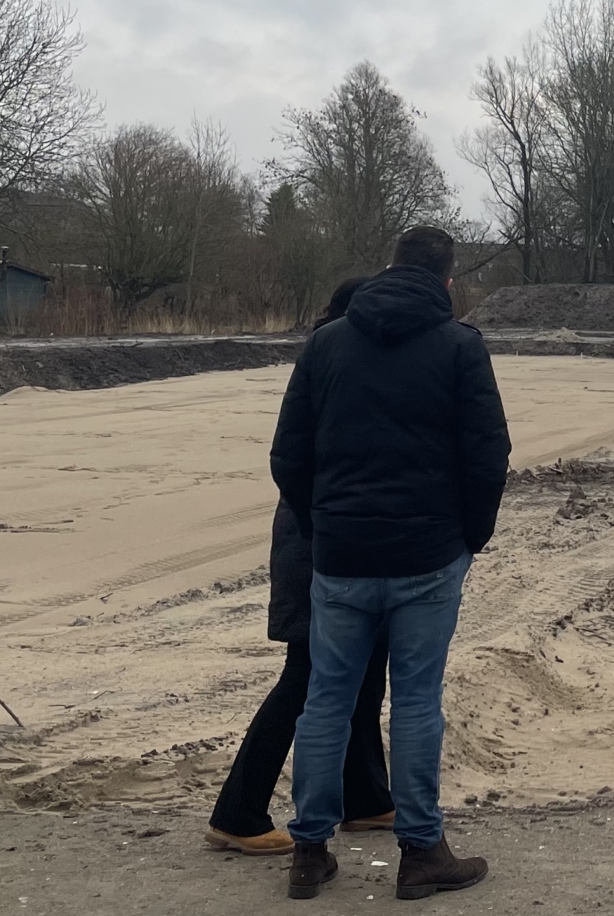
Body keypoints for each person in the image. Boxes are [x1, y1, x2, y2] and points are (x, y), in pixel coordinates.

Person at [271, 227, 511, 901]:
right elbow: (488, 454)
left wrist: (325, 525)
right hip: (428, 556)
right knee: (414, 700)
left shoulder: (325, 344)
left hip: (343, 555)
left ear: (388, 268)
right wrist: (470, 537)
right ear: (448, 281)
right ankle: (421, 849)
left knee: (327, 699)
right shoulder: (461, 346)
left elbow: (288, 455)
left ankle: (310, 849)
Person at [204, 278, 394, 857]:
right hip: (317, 541)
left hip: (324, 535)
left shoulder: (332, 360)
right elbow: (295, 459)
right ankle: (237, 811)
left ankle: (364, 799)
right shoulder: (331, 367)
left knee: (362, 676)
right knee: (306, 677)